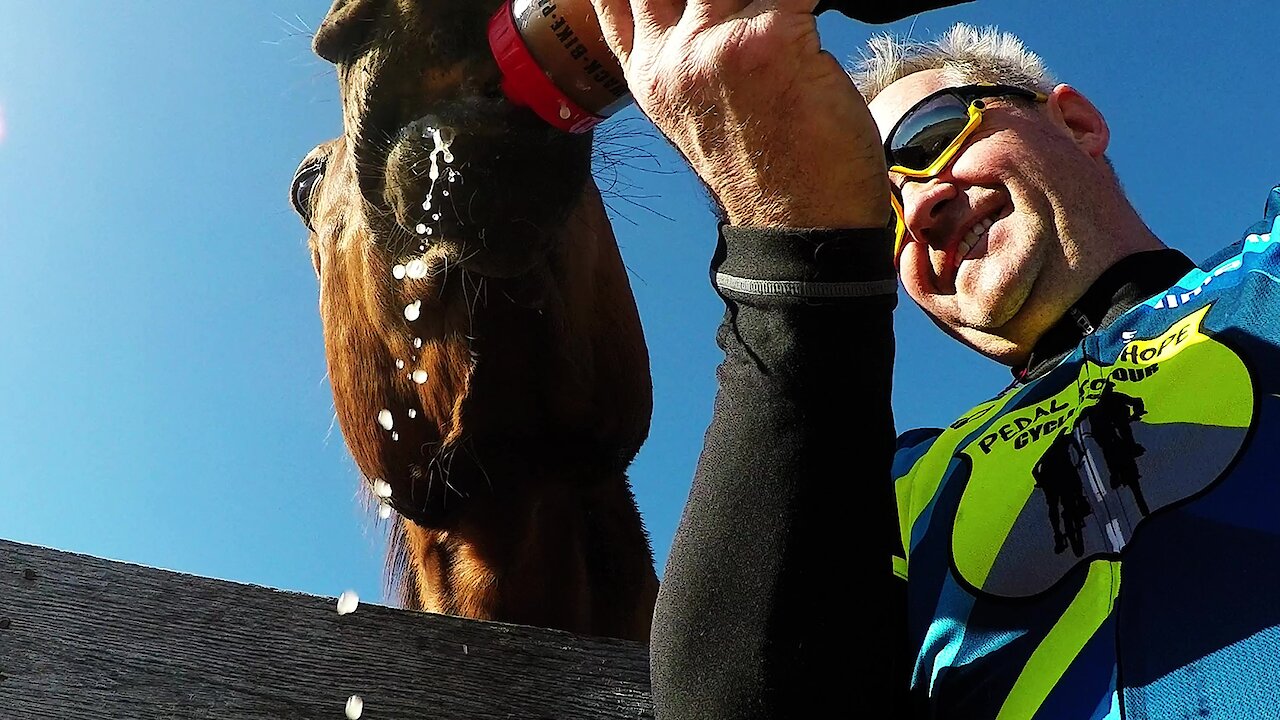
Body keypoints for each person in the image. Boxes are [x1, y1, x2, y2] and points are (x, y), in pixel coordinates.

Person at [587, 0, 1280, 717]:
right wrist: (793, 243)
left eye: (931, 136)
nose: (918, 209)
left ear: (1076, 123)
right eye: (880, 212)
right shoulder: (899, 492)